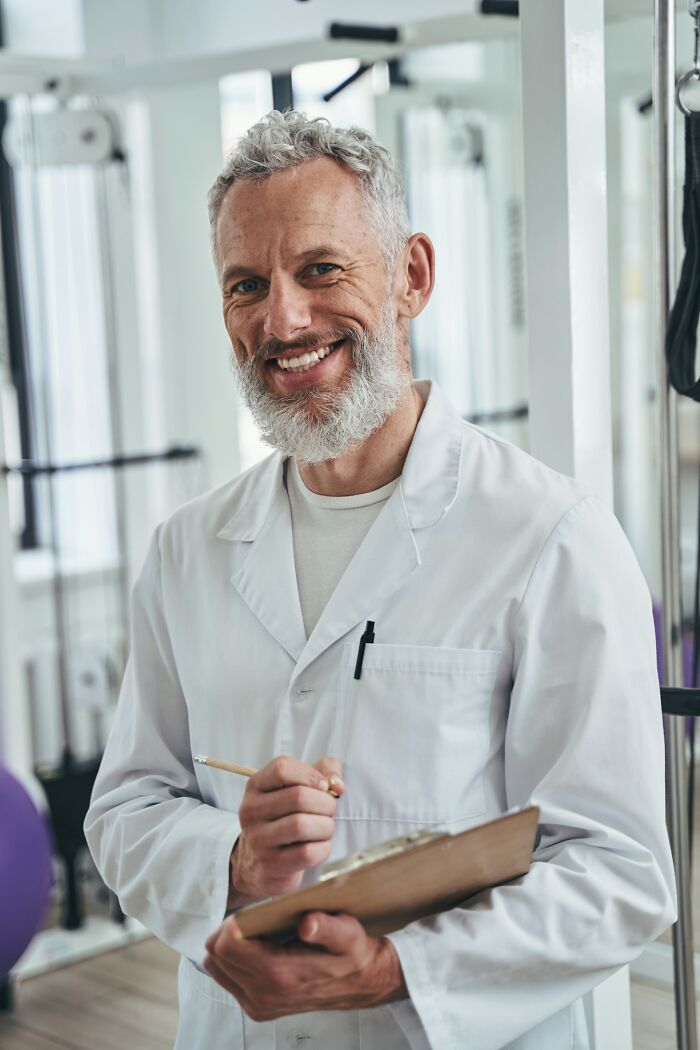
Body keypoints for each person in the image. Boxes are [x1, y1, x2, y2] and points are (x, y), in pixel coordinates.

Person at [85, 110, 676, 1050]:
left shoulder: (551, 535)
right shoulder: (187, 551)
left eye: (321, 270)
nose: (283, 319)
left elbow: (620, 869)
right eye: (247, 285)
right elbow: (126, 807)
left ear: (411, 276)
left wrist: (399, 970)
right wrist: (234, 861)